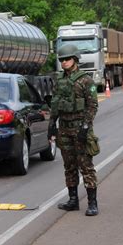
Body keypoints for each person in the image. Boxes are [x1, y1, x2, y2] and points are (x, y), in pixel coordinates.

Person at [48, 44, 100, 216]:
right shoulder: (59, 80)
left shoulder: (86, 80)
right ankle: (73, 200)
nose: (64, 62)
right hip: (64, 129)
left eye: (67, 59)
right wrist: (51, 125)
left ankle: (92, 203)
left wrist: (85, 127)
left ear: (75, 59)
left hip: (80, 128)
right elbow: (55, 104)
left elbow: (92, 106)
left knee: (86, 166)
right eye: (62, 60)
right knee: (69, 166)